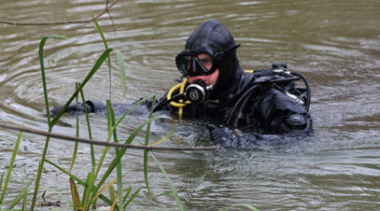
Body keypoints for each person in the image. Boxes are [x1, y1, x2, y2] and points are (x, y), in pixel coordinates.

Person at [52, 19, 312, 146]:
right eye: (189, 65)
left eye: (204, 63)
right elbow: (144, 109)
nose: (195, 74)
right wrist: (90, 108)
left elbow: (299, 140)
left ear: (225, 64)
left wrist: (240, 142)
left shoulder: (267, 99)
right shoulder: (187, 95)